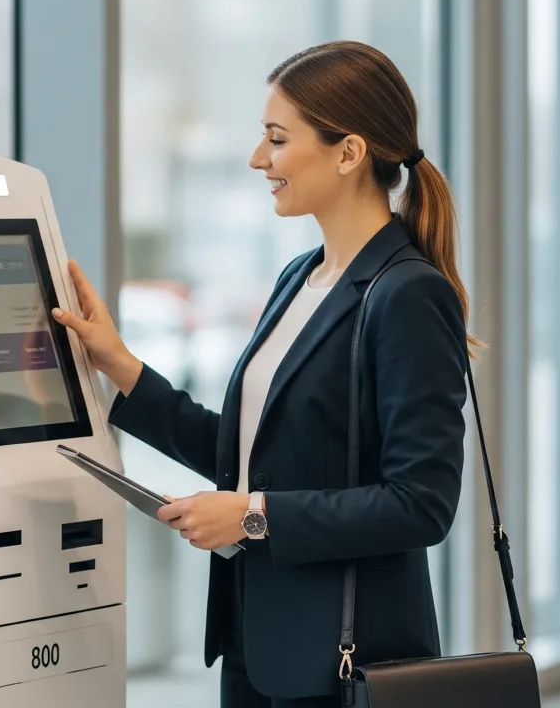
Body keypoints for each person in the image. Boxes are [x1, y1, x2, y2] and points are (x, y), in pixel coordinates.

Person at [52, 40, 471, 708]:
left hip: (345, 662)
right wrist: (120, 365)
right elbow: (250, 454)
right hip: (257, 640)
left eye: (277, 139)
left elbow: (422, 502)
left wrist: (252, 517)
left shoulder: (406, 294)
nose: (257, 160)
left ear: (349, 152)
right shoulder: (299, 278)